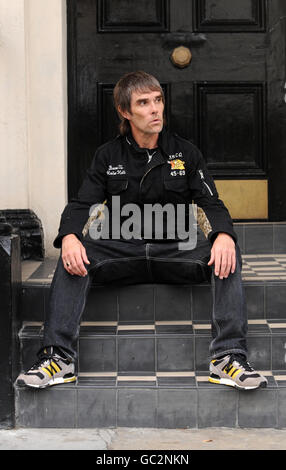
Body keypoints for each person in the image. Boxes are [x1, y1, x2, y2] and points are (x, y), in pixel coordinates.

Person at [16, 71, 267, 391]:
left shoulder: (185, 153)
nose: (155, 109)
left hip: (175, 251)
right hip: (123, 251)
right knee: (73, 254)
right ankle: (59, 358)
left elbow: (211, 202)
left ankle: (228, 357)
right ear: (125, 111)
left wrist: (223, 235)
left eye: (158, 100)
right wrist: (69, 237)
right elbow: (83, 203)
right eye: (144, 103)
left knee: (226, 252)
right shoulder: (108, 155)